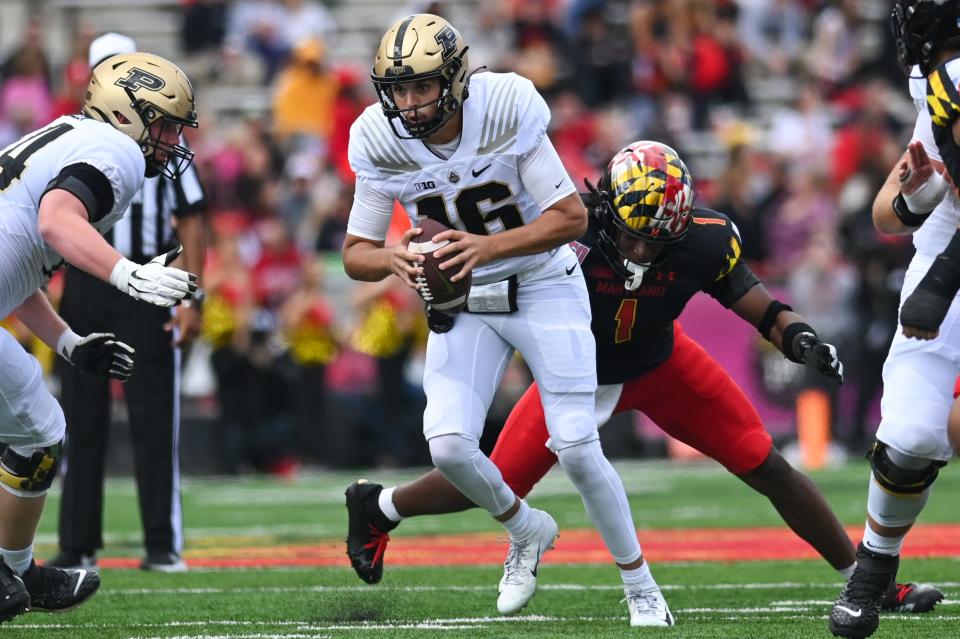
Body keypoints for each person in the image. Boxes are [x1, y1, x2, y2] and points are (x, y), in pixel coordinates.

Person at [345, 141, 944, 617]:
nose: (636, 250)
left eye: (653, 240)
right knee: (483, 482)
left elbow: (752, 300)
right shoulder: (565, 230)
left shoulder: (704, 240)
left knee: (768, 466)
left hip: (663, 364)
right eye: (629, 234)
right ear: (604, 210)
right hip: (574, 378)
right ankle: (381, 506)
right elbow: (499, 281)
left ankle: (869, 582)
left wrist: (799, 337)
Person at [342, 14, 672, 627]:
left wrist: (483, 247)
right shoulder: (378, 138)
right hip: (464, 303)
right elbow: (355, 253)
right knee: (448, 448)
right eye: (400, 90)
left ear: (457, 78)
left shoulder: (506, 105)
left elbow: (571, 218)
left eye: (422, 87)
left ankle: (641, 586)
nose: (409, 104)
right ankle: (525, 529)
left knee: (575, 444)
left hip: (544, 283)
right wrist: (394, 258)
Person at [0, 51, 198, 624]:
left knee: (40, 425)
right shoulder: (115, 152)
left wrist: (66, 342)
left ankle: (17, 567)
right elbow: (56, 221)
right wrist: (129, 274)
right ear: (126, 114)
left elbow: (19, 266)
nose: (172, 139)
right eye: (163, 123)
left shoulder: (70, 135)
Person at [47, 33, 207, 574]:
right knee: (79, 419)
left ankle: (162, 543)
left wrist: (192, 295)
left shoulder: (159, 142)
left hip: (150, 279)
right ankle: (76, 543)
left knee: (154, 418)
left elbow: (191, 217)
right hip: (90, 282)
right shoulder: (78, 142)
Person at [830, 2, 960, 637]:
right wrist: (915, 197)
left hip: (945, 274)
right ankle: (873, 571)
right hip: (941, 258)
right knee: (907, 436)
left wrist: (936, 288)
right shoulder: (939, 84)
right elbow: (886, 213)